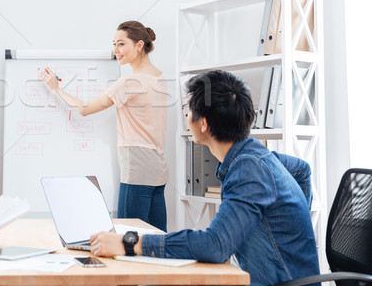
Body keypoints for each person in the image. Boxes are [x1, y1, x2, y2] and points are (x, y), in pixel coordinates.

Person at [89, 70, 321, 286]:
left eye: (188, 110)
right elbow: (302, 170)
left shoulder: (249, 170)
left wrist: (129, 243)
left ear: (203, 124)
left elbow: (216, 245)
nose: (186, 116)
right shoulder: (254, 156)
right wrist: (291, 231)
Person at [41, 20, 169, 231]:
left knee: (129, 238)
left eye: (121, 44)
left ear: (138, 45)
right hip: (158, 169)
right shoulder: (161, 78)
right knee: (157, 239)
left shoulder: (130, 83)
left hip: (137, 169)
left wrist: (55, 89)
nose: (115, 50)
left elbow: (83, 108)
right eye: (114, 44)